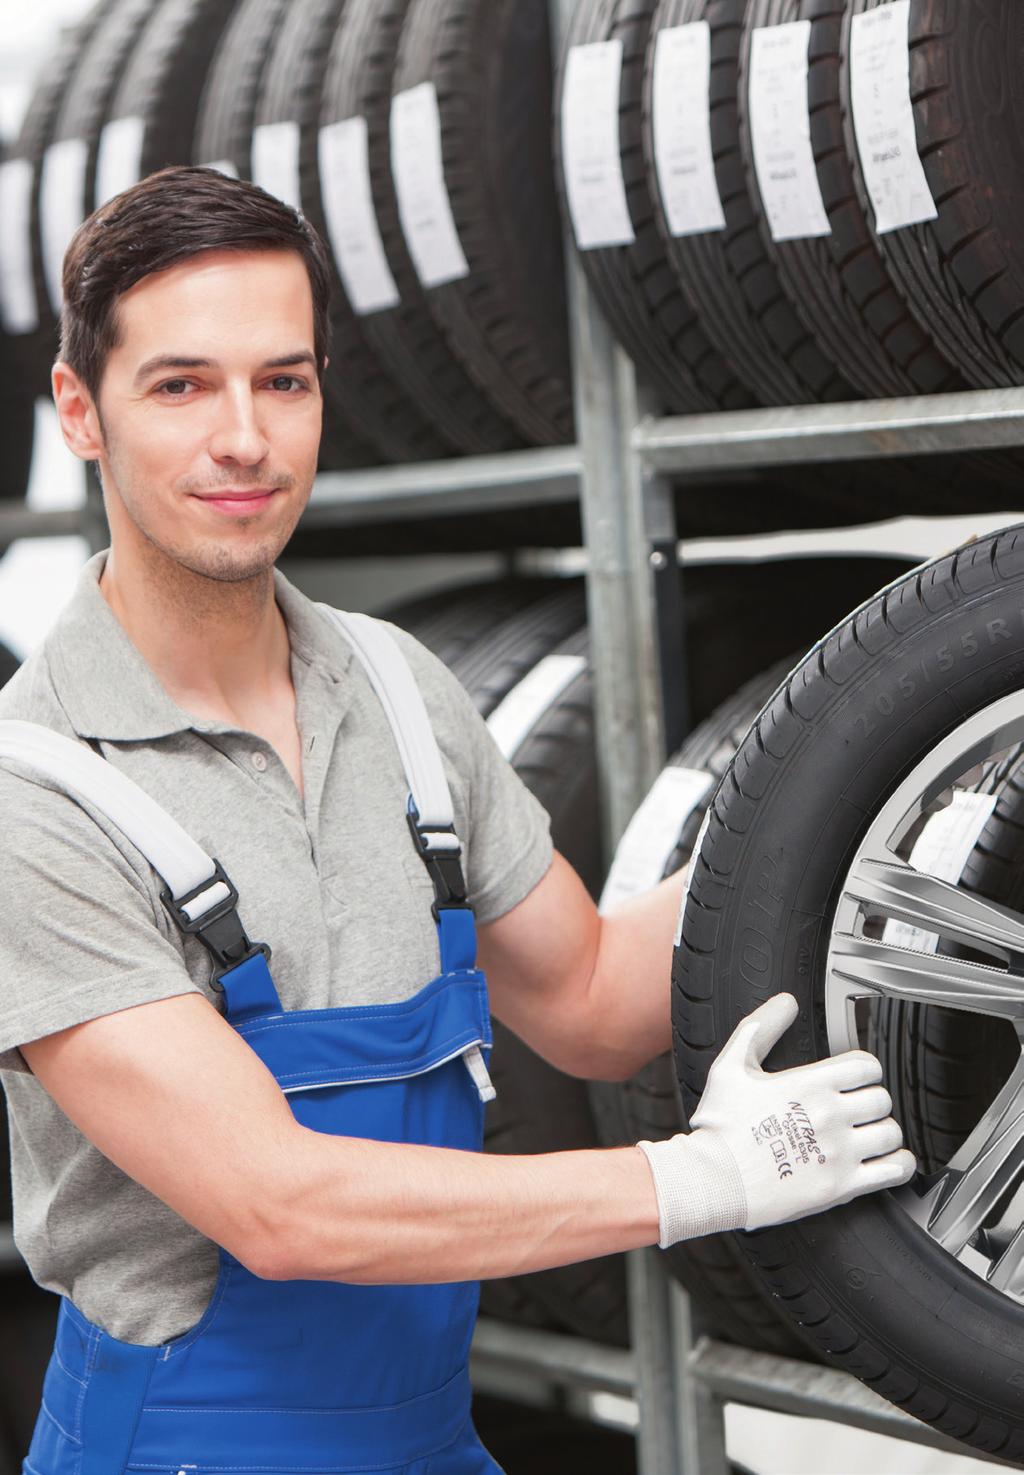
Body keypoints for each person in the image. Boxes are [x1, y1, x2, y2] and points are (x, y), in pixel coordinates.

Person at [0, 166, 914, 1474]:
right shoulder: (35, 794)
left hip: (428, 1439)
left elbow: (591, 999)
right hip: (185, 1452)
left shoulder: (396, 689)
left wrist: (871, 816)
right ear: (82, 413)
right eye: (182, 385)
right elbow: (281, 1205)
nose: (245, 439)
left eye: (285, 380)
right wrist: (698, 1178)